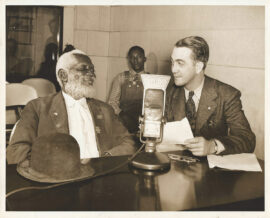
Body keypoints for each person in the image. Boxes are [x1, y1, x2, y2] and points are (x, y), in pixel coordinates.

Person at [6, 47, 136, 165]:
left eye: (92, 70)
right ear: (63, 75)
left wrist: (106, 157)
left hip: (100, 177)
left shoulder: (105, 110)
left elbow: (128, 143)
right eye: (84, 69)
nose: (92, 75)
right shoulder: (38, 108)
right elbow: (16, 152)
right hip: (58, 182)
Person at [166, 36, 255, 156]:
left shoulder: (226, 95)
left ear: (198, 67)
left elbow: (247, 139)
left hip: (211, 172)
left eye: (180, 63)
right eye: (172, 62)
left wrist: (213, 146)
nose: (173, 69)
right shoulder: (170, 93)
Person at [108, 46, 148, 134]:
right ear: (129, 60)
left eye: (139, 57)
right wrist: (122, 115)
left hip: (144, 125)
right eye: (132, 58)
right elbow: (112, 102)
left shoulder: (151, 79)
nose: (136, 61)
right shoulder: (121, 77)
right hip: (123, 124)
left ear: (145, 59)